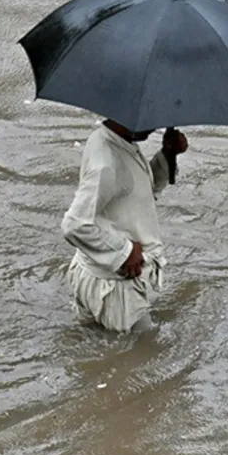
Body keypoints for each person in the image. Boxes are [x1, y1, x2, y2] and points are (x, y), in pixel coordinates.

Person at [60, 120, 188, 333]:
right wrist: (125, 251)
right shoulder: (107, 163)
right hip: (116, 287)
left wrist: (168, 155)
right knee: (145, 353)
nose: (154, 125)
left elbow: (137, 190)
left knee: (98, 345)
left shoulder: (110, 140)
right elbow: (74, 225)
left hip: (95, 273)